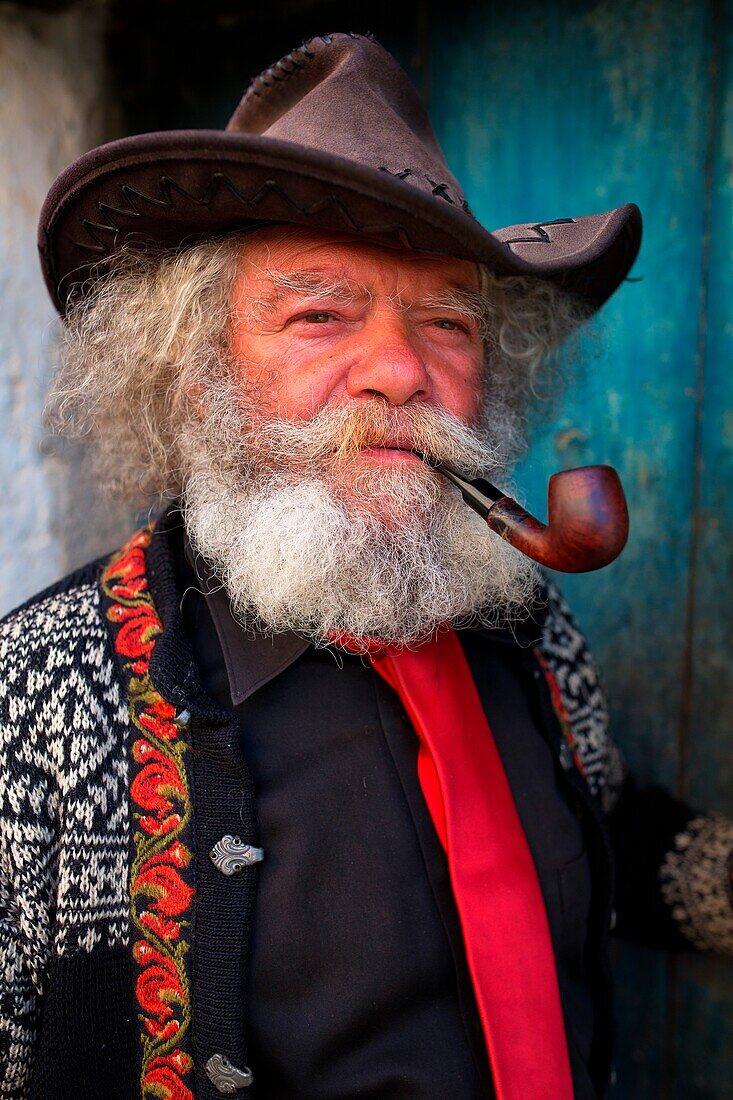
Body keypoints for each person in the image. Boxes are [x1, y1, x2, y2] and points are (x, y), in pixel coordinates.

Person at [1, 30, 730, 1100]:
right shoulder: (36, 696)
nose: (400, 369)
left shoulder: (529, 621)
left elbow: (592, 830)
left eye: (446, 319)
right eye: (319, 313)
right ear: (197, 372)